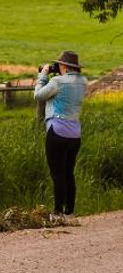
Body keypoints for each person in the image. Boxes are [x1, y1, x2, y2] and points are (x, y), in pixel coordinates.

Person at [34, 50, 86, 219]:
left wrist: (43, 76)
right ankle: (69, 212)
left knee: (57, 174)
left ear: (63, 66)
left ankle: (57, 212)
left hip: (57, 131)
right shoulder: (83, 82)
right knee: (69, 172)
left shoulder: (57, 81)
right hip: (75, 133)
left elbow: (38, 95)